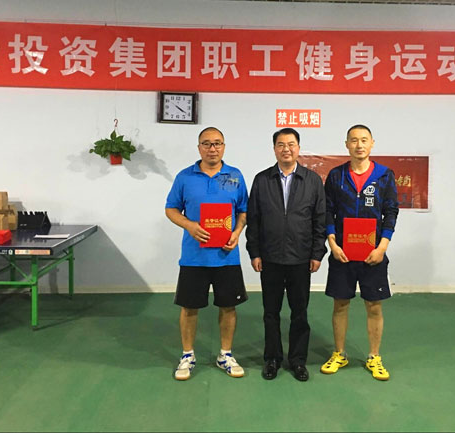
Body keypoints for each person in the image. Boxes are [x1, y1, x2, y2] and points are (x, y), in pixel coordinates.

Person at [165, 127, 249, 380]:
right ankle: (187, 355)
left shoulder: (235, 176)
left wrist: (237, 232)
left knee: (228, 306)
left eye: (217, 143)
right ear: (199, 147)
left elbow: (243, 210)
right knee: (189, 307)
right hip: (194, 258)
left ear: (224, 146)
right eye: (207, 144)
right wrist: (189, 225)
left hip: (226, 256)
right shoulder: (184, 177)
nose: (212, 149)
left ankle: (225, 354)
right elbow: (171, 209)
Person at [246, 127, 327, 382]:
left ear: (298, 148)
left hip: (300, 258)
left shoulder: (312, 181)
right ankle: (272, 358)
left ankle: (298, 360)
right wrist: (254, 252)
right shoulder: (262, 180)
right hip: (269, 257)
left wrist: (317, 253)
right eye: (281, 144)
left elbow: (320, 220)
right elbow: (254, 219)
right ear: (274, 149)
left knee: (299, 312)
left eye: (291, 144)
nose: (286, 149)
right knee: (271, 312)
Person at [320, 124, 399, 381]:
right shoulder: (336, 175)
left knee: (374, 306)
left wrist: (382, 247)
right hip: (342, 253)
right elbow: (327, 211)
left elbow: (391, 212)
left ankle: (374, 356)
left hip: (373, 254)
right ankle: (339, 353)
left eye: (364, 140)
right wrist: (333, 244)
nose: (359, 145)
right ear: (347, 144)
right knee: (340, 304)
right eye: (354, 140)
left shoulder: (385, 175)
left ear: (372, 143)